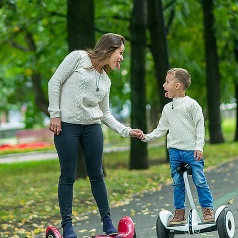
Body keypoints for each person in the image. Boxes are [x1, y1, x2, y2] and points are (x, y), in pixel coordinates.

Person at [48, 33, 141, 238]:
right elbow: (54, 82)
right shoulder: (78, 58)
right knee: (68, 175)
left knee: (97, 174)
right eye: (120, 52)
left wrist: (126, 131)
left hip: (92, 127)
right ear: (110, 49)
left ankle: (107, 222)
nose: (122, 58)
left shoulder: (105, 80)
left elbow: (105, 113)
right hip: (67, 127)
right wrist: (55, 115)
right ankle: (68, 226)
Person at [137, 68, 215, 225]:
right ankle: (179, 213)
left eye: (167, 82)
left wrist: (199, 147)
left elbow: (200, 126)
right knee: (177, 183)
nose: (164, 84)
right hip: (174, 152)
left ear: (177, 85)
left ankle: (207, 210)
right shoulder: (167, 108)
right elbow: (161, 129)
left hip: (192, 151)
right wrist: (146, 137)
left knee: (199, 180)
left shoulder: (192, 105)